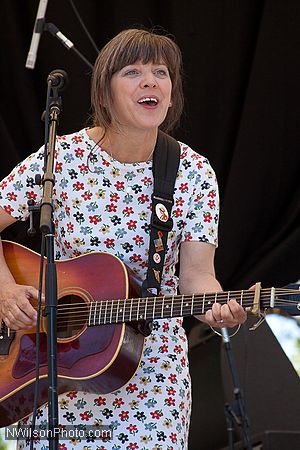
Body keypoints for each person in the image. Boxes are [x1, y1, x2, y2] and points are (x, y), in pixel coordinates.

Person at [0, 28, 246, 450]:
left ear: (171, 95)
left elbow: (197, 278)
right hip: (55, 367)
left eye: (161, 73)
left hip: (151, 374)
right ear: (104, 92)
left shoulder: (193, 172)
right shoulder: (59, 159)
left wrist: (217, 308)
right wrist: (5, 290)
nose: (151, 81)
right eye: (133, 71)